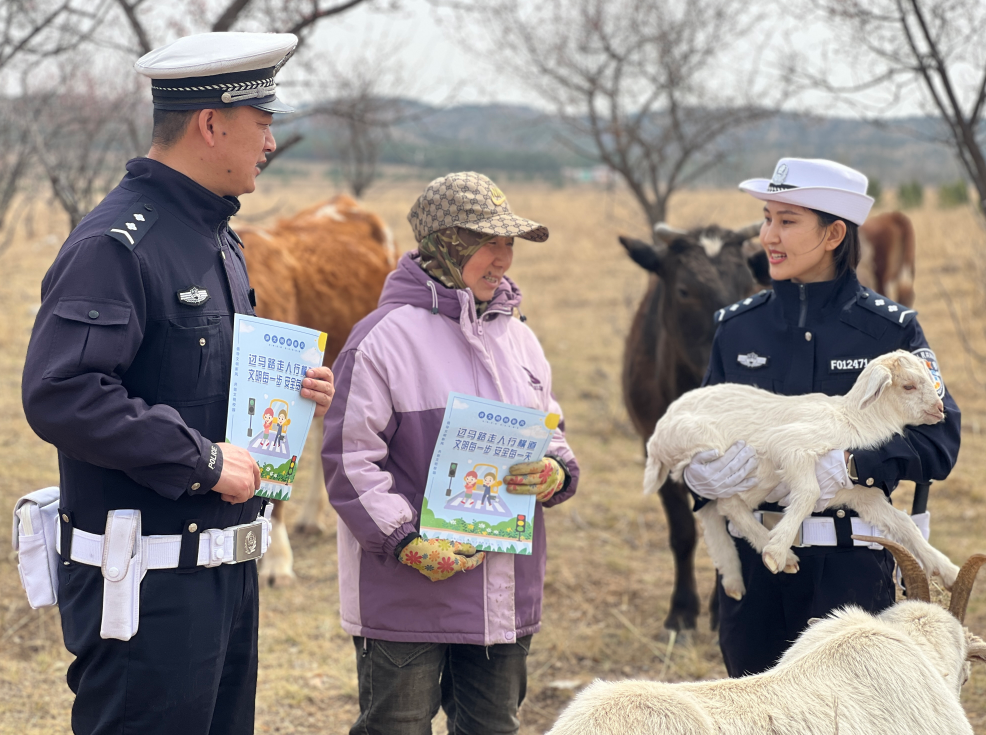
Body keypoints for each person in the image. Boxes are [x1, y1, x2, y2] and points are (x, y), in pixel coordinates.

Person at [20, 32, 335, 735]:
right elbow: (61, 392)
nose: (271, 142)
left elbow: (191, 382)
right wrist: (202, 461)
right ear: (211, 123)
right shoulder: (116, 243)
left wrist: (289, 395)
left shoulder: (216, 238)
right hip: (147, 594)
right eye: (262, 122)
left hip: (225, 578)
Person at [323, 171, 580, 735]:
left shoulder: (519, 336)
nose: (503, 259)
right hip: (405, 594)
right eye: (489, 242)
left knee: (492, 727)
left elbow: (550, 428)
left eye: (509, 243)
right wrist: (405, 542)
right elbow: (350, 461)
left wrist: (555, 470)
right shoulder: (381, 339)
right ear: (447, 242)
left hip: (502, 593)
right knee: (397, 726)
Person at [682, 158, 961, 677]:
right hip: (758, 566)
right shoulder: (737, 331)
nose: (768, 235)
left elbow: (942, 438)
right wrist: (699, 475)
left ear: (834, 233)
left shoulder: (891, 332)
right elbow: (702, 425)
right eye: (767, 218)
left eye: (787, 221)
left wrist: (853, 466)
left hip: (853, 570)